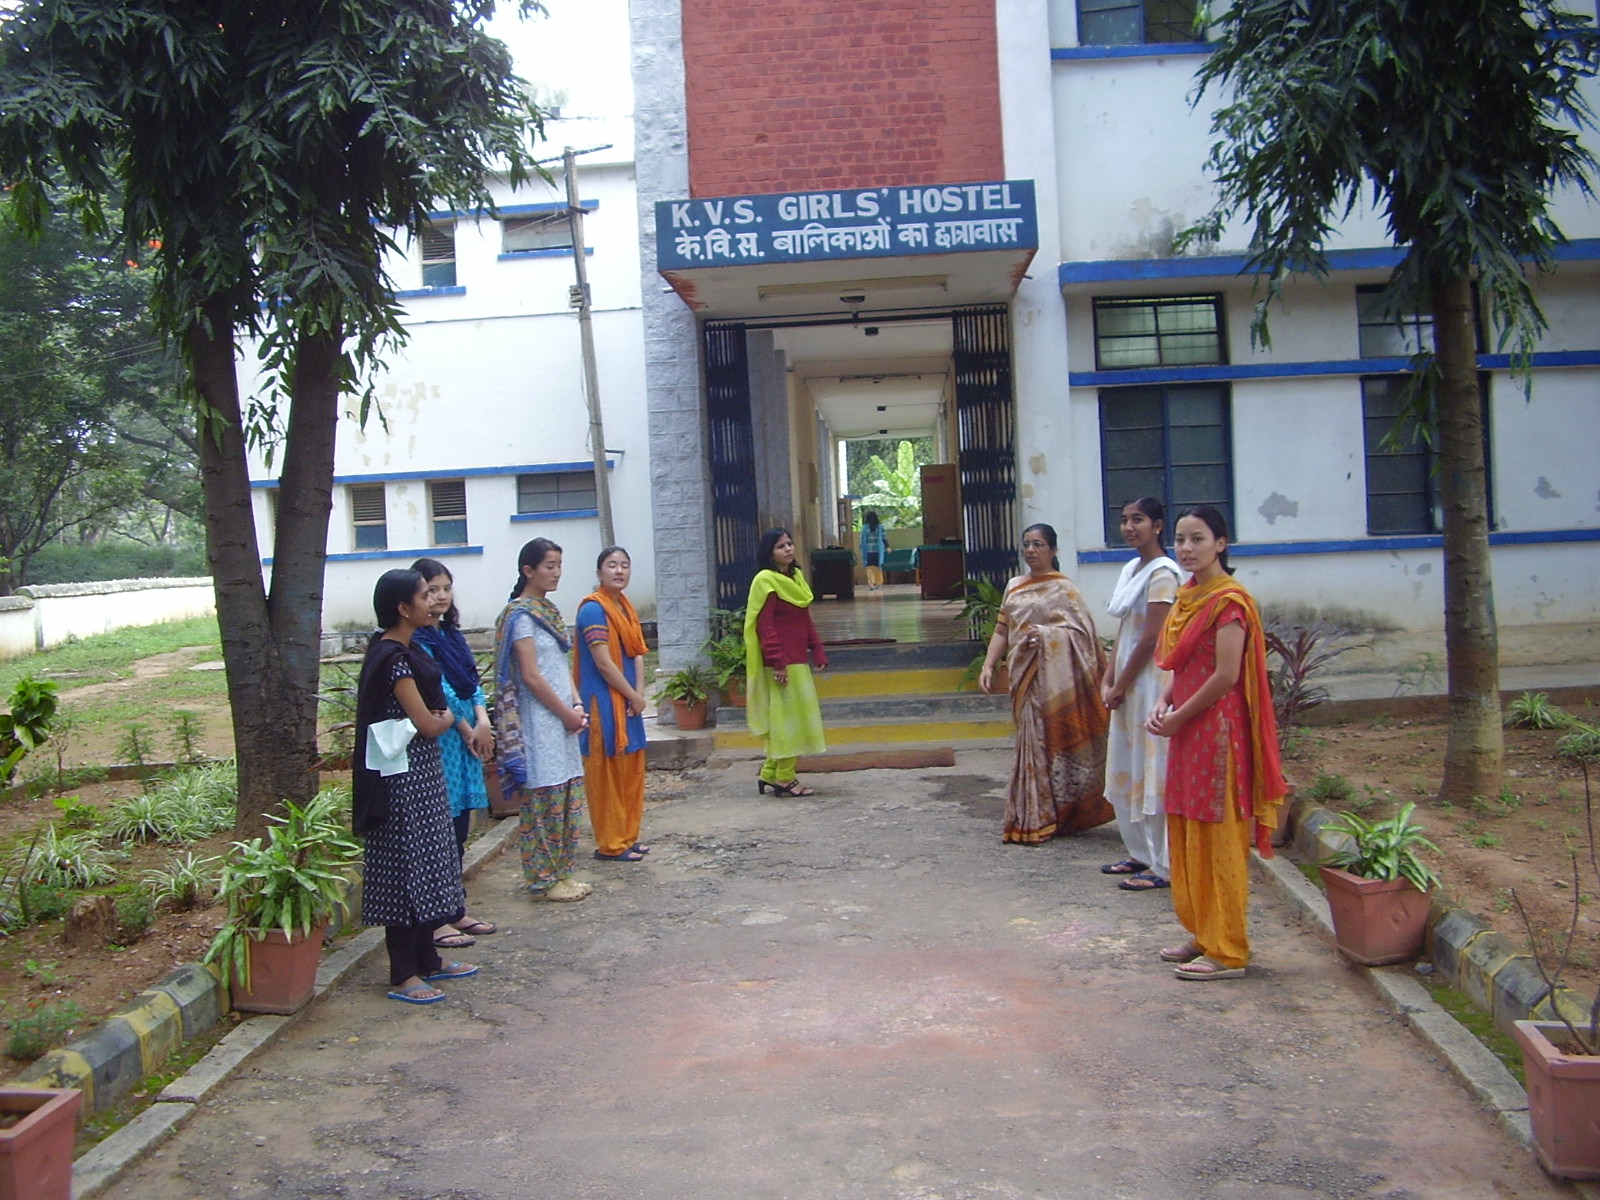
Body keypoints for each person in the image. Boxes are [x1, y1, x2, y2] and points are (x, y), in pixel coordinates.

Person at [1146, 505, 1287, 980]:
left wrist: (1180, 715)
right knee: (1186, 827)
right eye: (1182, 540)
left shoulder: (1229, 602)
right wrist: (1164, 703)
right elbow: (1178, 666)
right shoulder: (1188, 595)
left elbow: (1226, 675)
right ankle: (1204, 932)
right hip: (1186, 728)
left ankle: (1228, 949)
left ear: (1221, 544)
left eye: (1198, 539)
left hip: (1217, 732)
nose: (1187, 548)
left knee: (1218, 833)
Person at [352, 568, 476, 1005]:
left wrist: (440, 718)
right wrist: (443, 720)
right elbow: (427, 721)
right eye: (425, 595)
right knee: (407, 869)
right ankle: (404, 974)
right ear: (404, 608)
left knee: (428, 862)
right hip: (400, 781)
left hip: (422, 776)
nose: (433, 601)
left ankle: (430, 961)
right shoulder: (393, 658)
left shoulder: (409, 650)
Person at [978, 523, 1113, 845]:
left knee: (1050, 742)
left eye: (1038, 544)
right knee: (1029, 744)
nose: (1031, 550)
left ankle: (1053, 815)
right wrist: (988, 664)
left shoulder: (1065, 590)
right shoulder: (1014, 586)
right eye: (1026, 544)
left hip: (1054, 683)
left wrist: (1050, 636)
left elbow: (1084, 637)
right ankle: (1030, 815)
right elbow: (1002, 630)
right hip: (1023, 679)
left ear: (1052, 550)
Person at [493, 538, 592, 902]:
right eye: (549, 565)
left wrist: (577, 704)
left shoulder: (547, 611)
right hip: (539, 722)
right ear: (528, 570)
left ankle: (563, 871)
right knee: (543, 800)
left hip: (564, 718)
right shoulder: (520, 616)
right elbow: (532, 676)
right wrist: (565, 713)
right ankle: (543, 878)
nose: (556, 573)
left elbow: (559, 666)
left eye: (559, 565)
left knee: (567, 796)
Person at [409, 558, 499, 949]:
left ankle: (455, 907)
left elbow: (471, 683)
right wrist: (467, 729)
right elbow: (437, 693)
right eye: (431, 590)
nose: (440, 596)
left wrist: (483, 720)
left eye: (446, 588)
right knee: (438, 829)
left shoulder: (451, 636)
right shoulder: (415, 641)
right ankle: (435, 918)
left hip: (466, 743)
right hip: (439, 743)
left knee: (460, 827)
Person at [1100, 499, 1181, 892]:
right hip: (1127, 681)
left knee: (1152, 767)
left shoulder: (1164, 573)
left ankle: (1163, 864)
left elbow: (1151, 637)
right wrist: (1108, 677)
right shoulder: (1131, 569)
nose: (1130, 527)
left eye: (1139, 520)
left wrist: (1122, 682)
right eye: (1125, 520)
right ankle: (1140, 853)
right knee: (1126, 762)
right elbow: (1125, 632)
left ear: (1158, 525)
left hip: (1150, 681)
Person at [574, 546, 651, 862]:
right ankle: (610, 843)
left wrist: (639, 693)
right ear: (599, 573)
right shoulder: (594, 610)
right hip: (603, 702)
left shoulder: (626, 608)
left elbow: (637, 653)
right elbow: (604, 664)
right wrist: (632, 695)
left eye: (624, 566)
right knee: (606, 774)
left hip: (629, 702)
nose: (619, 571)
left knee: (631, 770)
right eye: (612, 565)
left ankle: (628, 836)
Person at [743, 528, 828, 797]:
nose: (788, 549)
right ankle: (785, 778)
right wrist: (778, 661)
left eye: (790, 544)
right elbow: (764, 625)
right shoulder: (765, 581)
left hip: (798, 660)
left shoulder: (796, 578)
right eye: (781, 546)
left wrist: (818, 649)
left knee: (793, 720)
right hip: (781, 665)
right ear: (770, 552)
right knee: (787, 723)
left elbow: (805, 620)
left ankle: (770, 773)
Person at [858, 510, 887, 591]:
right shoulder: (880, 527)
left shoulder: (864, 528)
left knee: (869, 568)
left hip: (868, 551)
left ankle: (871, 583)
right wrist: (887, 546)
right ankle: (878, 583)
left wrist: (861, 547)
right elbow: (884, 538)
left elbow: (862, 539)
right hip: (878, 551)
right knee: (878, 567)